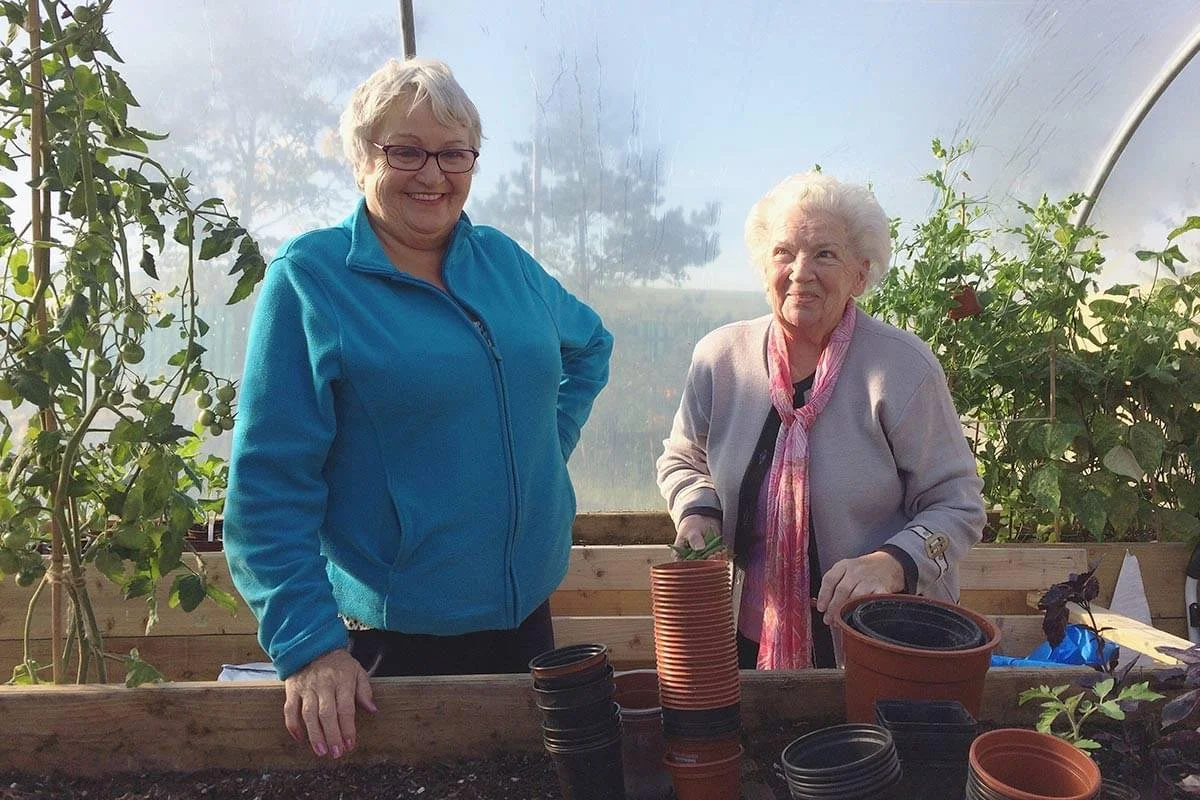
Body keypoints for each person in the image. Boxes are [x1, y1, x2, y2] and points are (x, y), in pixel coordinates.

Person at [224, 58, 613, 760]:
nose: (433, 174)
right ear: (359, 156)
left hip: (526, 613)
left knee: (529, 775)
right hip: (397, 640)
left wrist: (543, 446)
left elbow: (589, 345)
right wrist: (308, 646)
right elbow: (267, 487)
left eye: (454, 152)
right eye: (404, 150)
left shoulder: (504, 262)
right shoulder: (312, 281)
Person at [656, 171, 984, 671]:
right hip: (748, 637)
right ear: (764, 266)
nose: (801, 271)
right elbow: (683, 458)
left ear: (860, 274)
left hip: (880, 642)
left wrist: (892, 564)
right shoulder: (720, 359)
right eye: (784, 252)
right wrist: (699, 510)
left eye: (825, 254)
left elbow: (958, 505)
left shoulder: (901, 369)